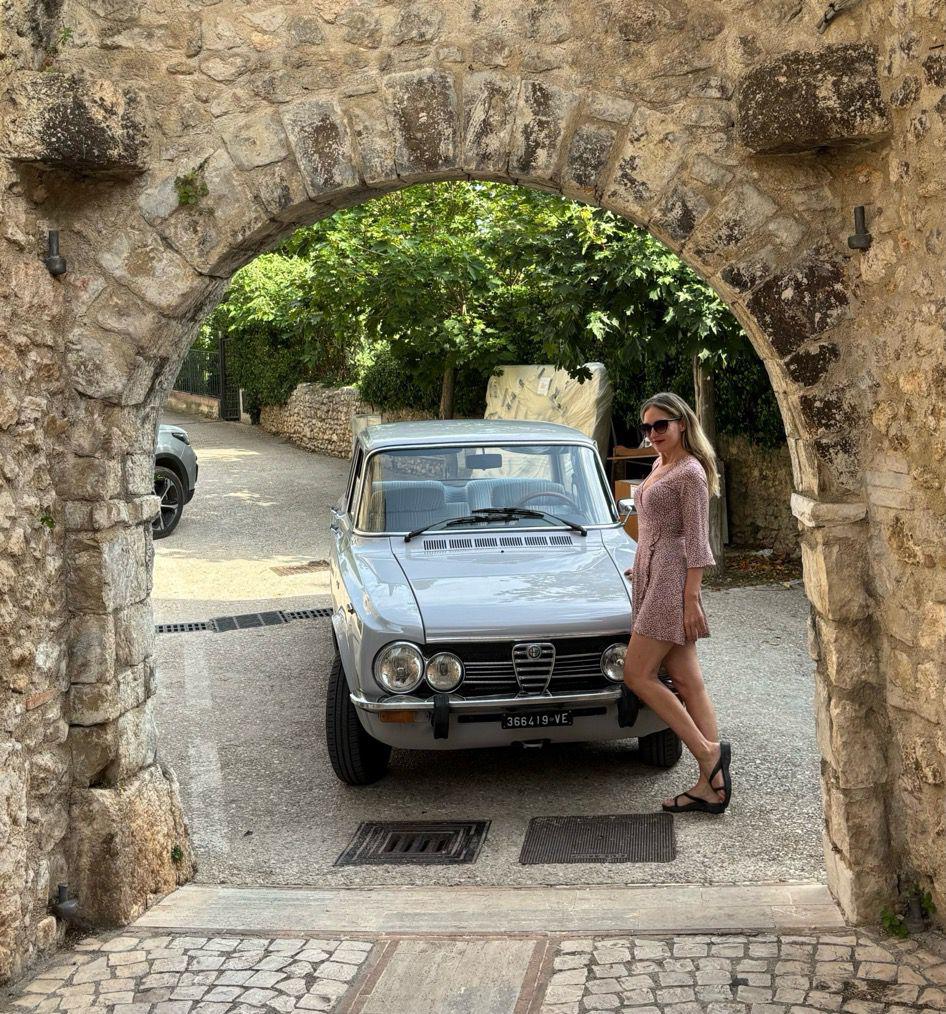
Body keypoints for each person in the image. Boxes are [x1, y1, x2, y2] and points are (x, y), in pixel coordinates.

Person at [622, 392, 732, 814]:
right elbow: (652, 528)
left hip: (672, 581)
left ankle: (707, 753)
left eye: (661, 426)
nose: (652, 435)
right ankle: (713, 785)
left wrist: (690, 600)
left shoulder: (690, 474)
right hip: (654, 575)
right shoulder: (658, 465)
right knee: (687, 681)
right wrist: (642, 566)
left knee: (638, 673)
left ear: (682, 423)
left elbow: (697, 542)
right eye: (647, 428)